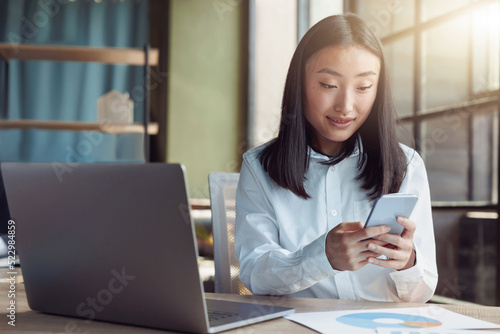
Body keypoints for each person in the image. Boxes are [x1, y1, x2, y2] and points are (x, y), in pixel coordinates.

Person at [234, 13, 438, 302]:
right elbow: (256, 274)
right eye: (329, 85)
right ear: (300, 84)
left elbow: (423, 291)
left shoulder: (406, 166)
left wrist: (408, 262)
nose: (345, 105)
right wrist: (321, 258)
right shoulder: (259, 168)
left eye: (364, 87)